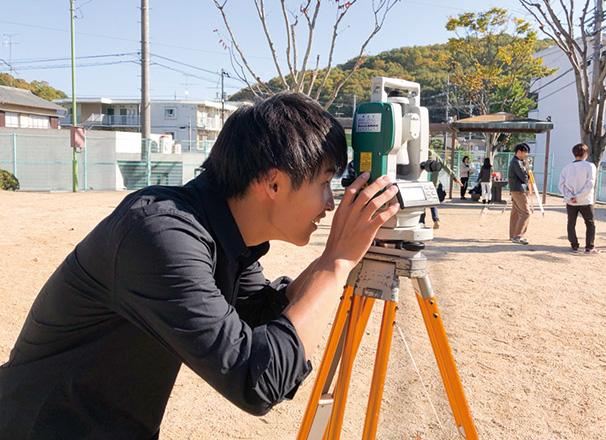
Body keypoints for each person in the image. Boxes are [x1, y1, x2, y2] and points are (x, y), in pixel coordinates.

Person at [0, 92, 400, 438]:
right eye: (324, 182)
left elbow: (260, 318)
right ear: (274, 183)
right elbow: (256, 381)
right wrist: (336, 264)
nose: (331, 201)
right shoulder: (159, 234)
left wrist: (339, 252)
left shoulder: (223, 228)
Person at [558, 143, 599, 254]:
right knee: (589, 223)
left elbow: (561, 184)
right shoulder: (590, 166)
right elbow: (590, 184)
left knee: (571, 223)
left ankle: (574, 245)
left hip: (570, 200)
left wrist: (570, 196)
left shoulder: (567, 167)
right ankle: (589, 247)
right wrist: (579, 196)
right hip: (585, 200)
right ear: (585, 153)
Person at [419, 149, 462, 229]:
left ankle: (422, 222)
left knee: (422, 204)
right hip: (433, 184)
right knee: (433, 203)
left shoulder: (421, 153)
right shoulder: (436, 156)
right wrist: (455, 178)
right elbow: (445, 166)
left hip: (422, 182)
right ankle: (436, 220)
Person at [508, 143, 532, 245]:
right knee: (525, 213)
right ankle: (518, 236)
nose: (526, 154)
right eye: (525, 152)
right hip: (519, 189)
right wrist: (527, 172)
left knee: (516, 213)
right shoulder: (516, 162)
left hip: (515, 189)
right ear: (519, 152)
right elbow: (524, 177)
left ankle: (513, 234)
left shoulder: (516, 162)